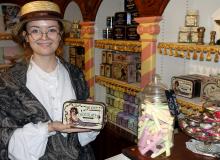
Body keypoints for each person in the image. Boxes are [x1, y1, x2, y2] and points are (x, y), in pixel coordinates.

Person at [0, 1, 99, 160]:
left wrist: (92, 120)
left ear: (60, 35)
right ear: (26, 36)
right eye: (35, 30)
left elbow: (82, 138)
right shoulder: (8, 82)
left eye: (51, 30)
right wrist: (48, 128)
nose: (44, 37)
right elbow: (6, 139)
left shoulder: (76, 74)